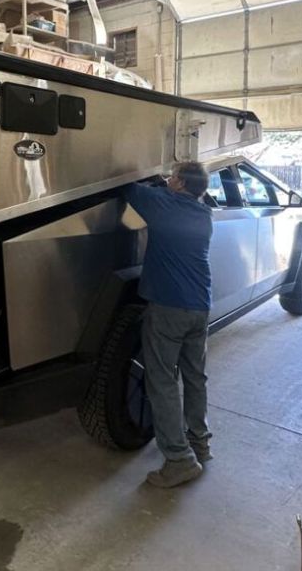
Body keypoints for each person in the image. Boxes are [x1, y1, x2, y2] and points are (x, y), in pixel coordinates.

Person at [123, 161, 214, 488]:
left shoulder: (160, 204)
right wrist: (167, 185)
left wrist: (153, 181)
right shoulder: (204, 214)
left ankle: (179, 460)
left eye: (173, 176)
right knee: (195, 376)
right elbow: (172, 195)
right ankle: (199, 442)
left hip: (168, 307)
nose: (169, 179)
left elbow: (127, 186)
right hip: (200, 306)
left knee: (161, 380)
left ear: (177, 183)